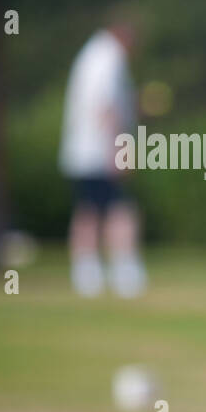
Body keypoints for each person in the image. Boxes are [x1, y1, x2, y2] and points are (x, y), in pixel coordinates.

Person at [59, 15, 147, 297]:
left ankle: (87, 273)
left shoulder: (92, 55)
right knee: (120, 209)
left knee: (89, 209)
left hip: (82, 150)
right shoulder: (108, 57)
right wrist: (118, 150)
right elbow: (105, 107)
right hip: (99, 150)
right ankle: (124, 270)